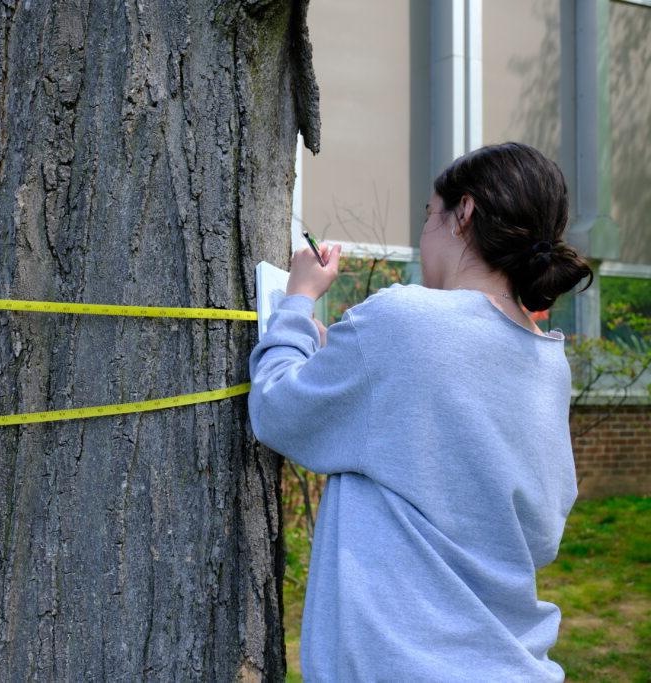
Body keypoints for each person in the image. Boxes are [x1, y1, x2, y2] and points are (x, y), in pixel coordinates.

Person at [249, 142, 592, 681]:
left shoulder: (406, 319)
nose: (424, 232)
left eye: (429, 215)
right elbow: (541, 531)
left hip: (405, 664)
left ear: (465, 214)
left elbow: (276, 411)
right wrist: (335, 363)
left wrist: (296, 303)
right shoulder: (548, 359)